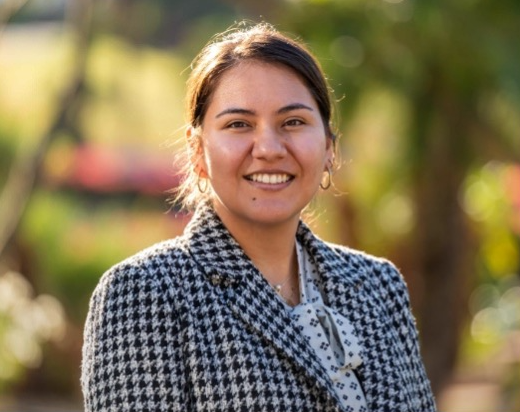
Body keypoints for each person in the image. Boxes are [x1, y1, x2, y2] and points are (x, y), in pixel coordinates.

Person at [81, 22, 436, 412]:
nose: (268, 148)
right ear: (198, 152)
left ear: (329, 147)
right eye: (239, 125)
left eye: (293, 122)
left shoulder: (378, 285)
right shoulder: (144, 293)